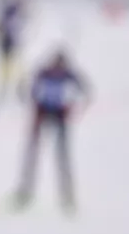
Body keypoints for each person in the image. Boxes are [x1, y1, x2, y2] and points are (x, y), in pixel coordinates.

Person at [12, 49, 91, 214]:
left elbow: (85, 89)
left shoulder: (69, 74)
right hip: (42, 113)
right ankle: (25, 192)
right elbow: (24, 85)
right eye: (56, 65)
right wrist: (29, 99)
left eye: (61, 65)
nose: (58, 69)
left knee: (62, 157)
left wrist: (76, 105)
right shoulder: (43, 72)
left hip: (60, 114)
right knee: (32, 154)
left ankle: (67, 196)